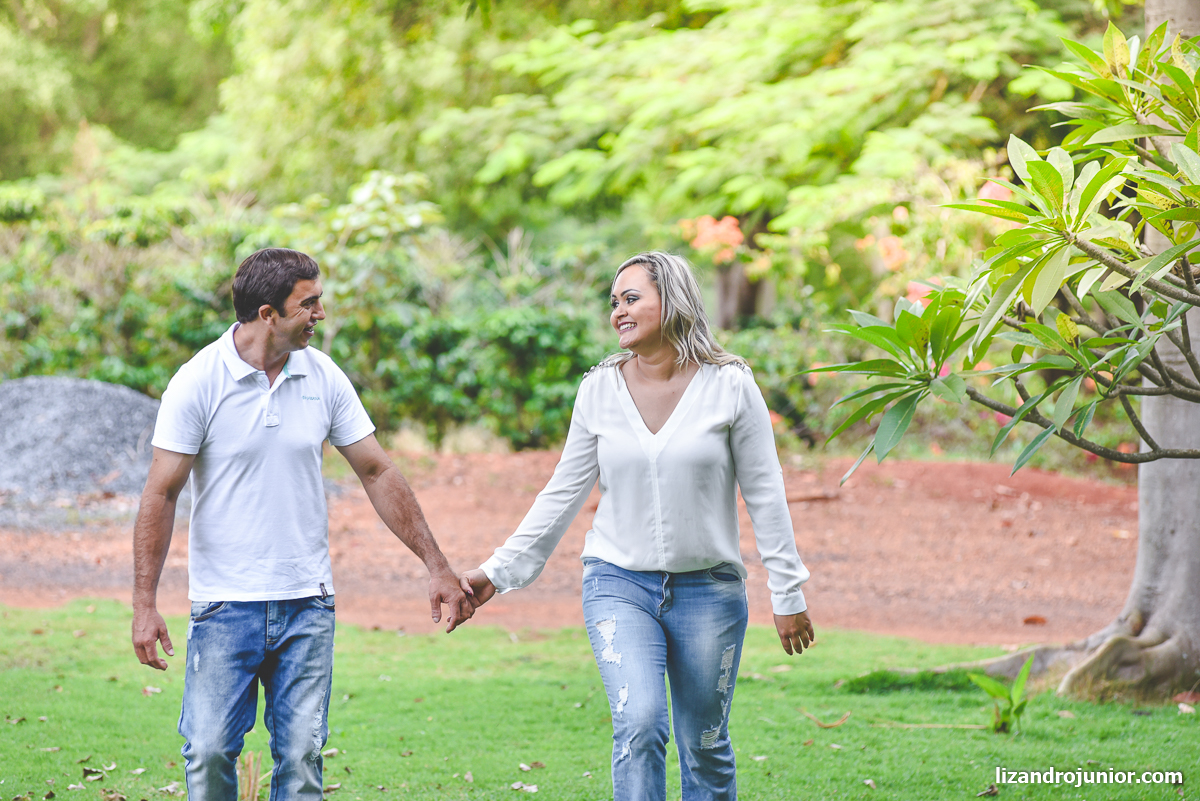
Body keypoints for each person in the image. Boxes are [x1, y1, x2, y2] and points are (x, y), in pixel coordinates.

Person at [460, 251, 814, 801]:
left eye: (631, 298)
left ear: (672, 300)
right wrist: (497, 572)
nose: (617, 312)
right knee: (640, 723)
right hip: (618, 583)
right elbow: (562, 493)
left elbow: (765, 492)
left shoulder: (730, 384)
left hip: (710, 590)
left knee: (705, 744)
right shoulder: (599, 389)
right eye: (614, 302)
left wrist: (787, 592)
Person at [131, 247, 473, 800]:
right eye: (308, 304)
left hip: (307, 603)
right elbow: (161, 492)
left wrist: (437, 564)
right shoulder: (197, 382)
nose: (320, 314)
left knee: (301, 757)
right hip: (224, 604)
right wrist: (144, 604)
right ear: (267, 314)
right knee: (209, 751)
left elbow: (377, 470)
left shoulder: (323, 375)